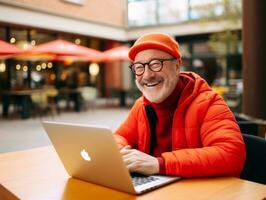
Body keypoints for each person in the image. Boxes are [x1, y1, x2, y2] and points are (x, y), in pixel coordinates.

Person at [114, 33, 246, 178]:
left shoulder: (209, 103)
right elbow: (120, 137)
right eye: (139, 67)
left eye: (156, 64)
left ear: (177, 66)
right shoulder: (142, 105)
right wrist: (120, 154)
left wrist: (159, 164)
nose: (147, 75)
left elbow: (231, 154)